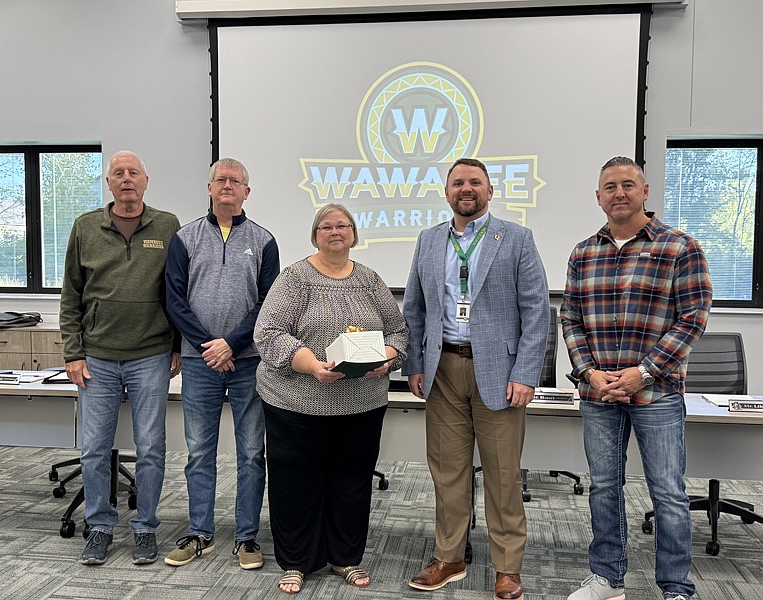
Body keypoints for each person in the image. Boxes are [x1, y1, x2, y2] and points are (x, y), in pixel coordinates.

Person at [560, 156, 712, 600]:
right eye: (610, 187)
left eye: (628, 184)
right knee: (604, 487)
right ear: (598, 197)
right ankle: (607, 579)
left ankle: (676, 587)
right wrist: (589, 372)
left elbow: (693, 319)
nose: (619, 193)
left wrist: (643, 373)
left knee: (667, 494)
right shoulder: (584, 251)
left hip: (657, 393)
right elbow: (570, 318)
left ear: (645, 191)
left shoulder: (680, 247)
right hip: (599, 393)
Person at [402, 157, 549, 600]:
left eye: (475, 182)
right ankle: (448, 557)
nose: (466, 189)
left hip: (500, 374)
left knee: (503, 475)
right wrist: (415, 363)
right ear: (447, 192)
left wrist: (526, 373)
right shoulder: (429, 240)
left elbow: (537, 311)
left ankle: (507, 567)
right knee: (447, 471)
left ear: (489, 190)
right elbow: (415, 308)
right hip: (443, 368)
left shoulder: (517, 238)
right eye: (458, 183)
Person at [254, 203, 408, 595]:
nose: (335, 231)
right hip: (297, 401)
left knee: (352, 481)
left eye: (342, 225)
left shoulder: (371, 281)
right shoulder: (295, 279)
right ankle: (296, 561)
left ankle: (345, 557)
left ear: (354, 233)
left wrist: (386, 359)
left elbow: (399, 332)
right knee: (295, 482)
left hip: (361, 404)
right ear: (315, 234)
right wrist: (311, 365)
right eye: (326, 226)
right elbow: (268, 333)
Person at [59, 150, 182, 566]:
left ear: (146, 181)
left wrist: (179, 344)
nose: (126, 179)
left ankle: (145, 527)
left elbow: (178, 292)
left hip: (151, 353)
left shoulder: (167, 226)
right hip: (96, 357)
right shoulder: (85, 227)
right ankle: (99, 527)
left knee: (151, 448)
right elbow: (71, 295)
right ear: (108, 183)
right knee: (94, 448)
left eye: (134, 173)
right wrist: (73, 352)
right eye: (118, 173)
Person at [163, 157, 279, 570]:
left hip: (248, 362)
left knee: (251, 452)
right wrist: (209, 346)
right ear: (209, 188)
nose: (228, 185)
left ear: (247, 191)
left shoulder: (264, 241)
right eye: (221, 180)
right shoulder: (184, 238)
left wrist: (230, 344)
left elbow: (269, 305)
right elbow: (174, 299)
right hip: (199, 363)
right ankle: (200, 533)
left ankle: (247, 537)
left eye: (236, 181)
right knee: (199, 452)